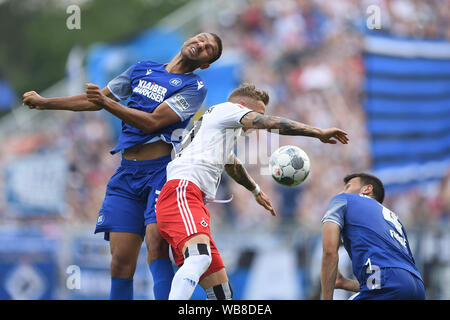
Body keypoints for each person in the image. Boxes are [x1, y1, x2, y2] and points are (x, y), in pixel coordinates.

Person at [22, 32, 223, 300]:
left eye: (209, 48)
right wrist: (45, 103)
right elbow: (94, 100)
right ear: (189, 40)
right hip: (126, 173)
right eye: (201, 39)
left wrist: (105, 102)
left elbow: (152, 122)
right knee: (120, 262)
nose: (201, 45)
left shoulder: (194, 87)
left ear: (206, 63)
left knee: (156, 246)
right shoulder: (142, 69)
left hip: (162, 174)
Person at [155, 83, 349, 300]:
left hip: (187, 197)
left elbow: (231, 164)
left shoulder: (217, 127)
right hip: (182, 192)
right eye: (256, 113)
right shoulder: (228, 110)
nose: (256, 122)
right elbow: (268, 123)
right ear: (242, 105)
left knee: (222, 293)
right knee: (199, 259)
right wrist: (318, 132)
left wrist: (255, 190)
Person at [321, 173, 426, 300]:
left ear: (367, 189)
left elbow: (329, 251)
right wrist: (344, 282)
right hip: (417, 286)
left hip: (386, 282)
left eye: (347, 187)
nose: (342, 191)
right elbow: (396, 280)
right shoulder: (394, 219)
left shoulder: (343, 199)